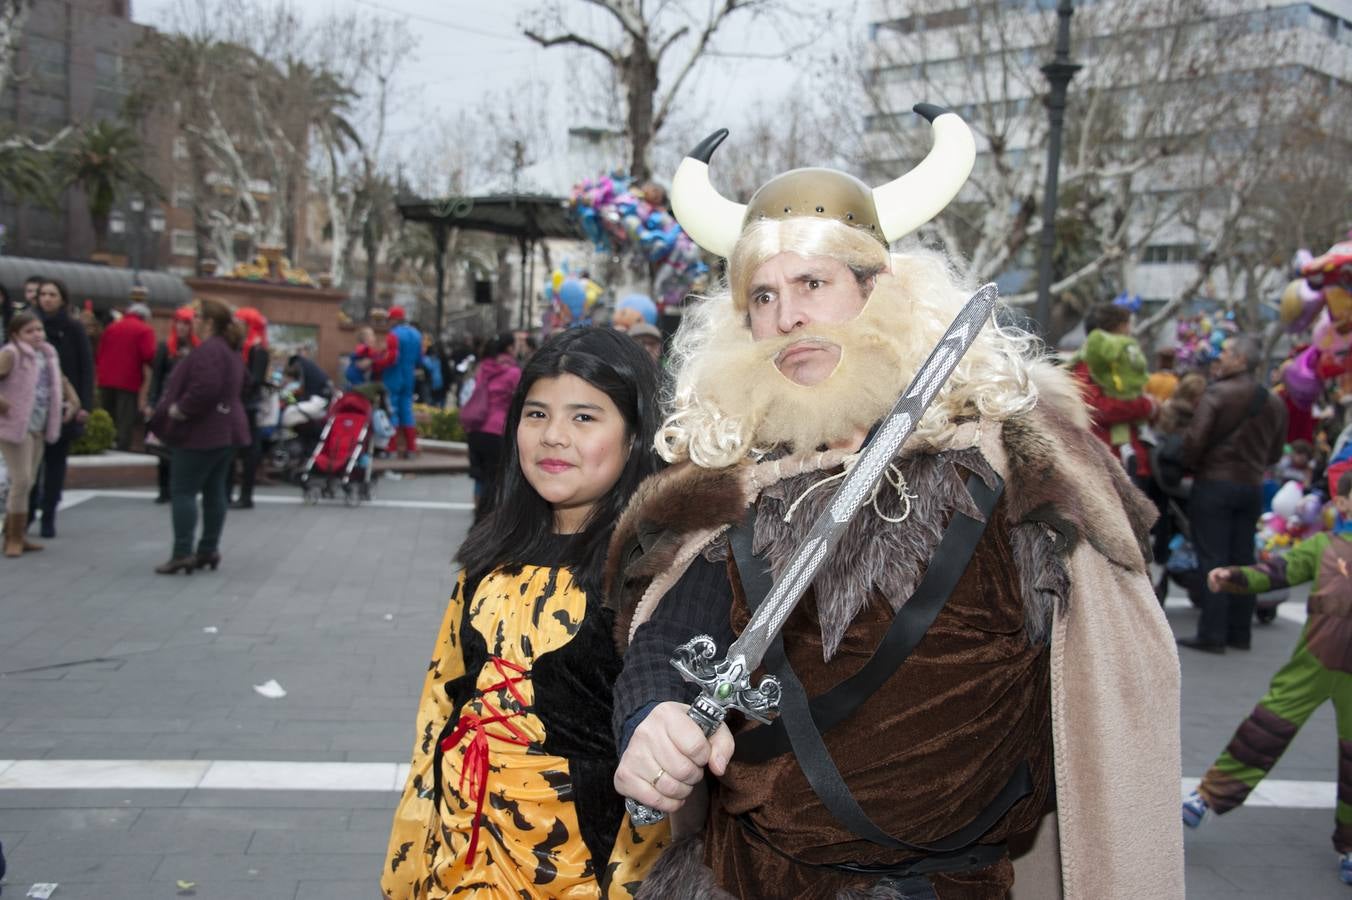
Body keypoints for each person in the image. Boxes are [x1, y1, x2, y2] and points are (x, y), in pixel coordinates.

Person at [607, 111, 1183, 898]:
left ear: (881, 290)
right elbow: (675, 635)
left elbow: (1098, 672)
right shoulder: (733, 476)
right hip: (755, 876)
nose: (787, 318)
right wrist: (653, 717)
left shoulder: (1011, 460)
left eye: (814, 284)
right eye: (763, 298)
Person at [382, 327, 666, 899]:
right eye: (536, 414)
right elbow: (440, 707)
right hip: (463, 849)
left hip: (586, 863)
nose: (553, 437)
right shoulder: (489, 558)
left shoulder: (656, 572)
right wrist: (412, 855)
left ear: (634, 434)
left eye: (584, 418)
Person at [1183, 469, 1352, 885]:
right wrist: (1234, 577)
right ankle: (1206, 796)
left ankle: (1349, 845)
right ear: (1343, 503)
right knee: (1264, 730)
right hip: (1311, 664)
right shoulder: (1323, 546)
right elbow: (1277, 572)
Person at [1178, 335, 1288, 654]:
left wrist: (1190, 464)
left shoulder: (1217, 393)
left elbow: (1195, 440)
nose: (1219, 358)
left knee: (1213, 557)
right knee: (1244, 557)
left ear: (1240, 360)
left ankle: (1212, 633)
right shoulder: (1274, 402)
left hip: (1214, 483)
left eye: (1225, 353)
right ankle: (1240, 632)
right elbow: (1276, 452)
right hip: (1251, 484)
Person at [147, 299, 248, 574]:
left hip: (202, 431)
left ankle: (182, 552)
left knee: (183, 491)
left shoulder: (210, 350)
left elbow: (206, 387)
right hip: (226, 430)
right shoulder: (229, 350)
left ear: (209, 322)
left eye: (198, 316)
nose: (194, 320)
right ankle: (208, 549)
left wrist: (180, 409)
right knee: (215, 490)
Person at [0, 311, 80, 557]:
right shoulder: (10, 353)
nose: (36, 335)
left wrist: (73, 399)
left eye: (38, 330)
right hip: (15, 425)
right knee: (21, 480)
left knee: (30, 480)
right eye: (29, 331)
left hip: (40, 424)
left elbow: (60, 380)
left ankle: (17, 533)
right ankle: (13, 536)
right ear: (16, 334)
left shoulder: (47, 354)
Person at [30, 278, 92, 539]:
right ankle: (28, 511)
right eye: (43, 294)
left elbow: (86, 368)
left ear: (62, 299)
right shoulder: (31, 325)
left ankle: (49, 514)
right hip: (34, 407)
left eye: (52, 294)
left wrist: (84, 405)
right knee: (31, 465)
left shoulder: (74, 328)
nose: (47, 299)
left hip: (65, 405)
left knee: (55, 463)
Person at [1068, 301, 1155, 476]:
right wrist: (1146, 406)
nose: (1129, 332)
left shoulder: (1122, 363)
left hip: (1129, 460)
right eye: (1126, 326)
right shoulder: (1088, 364)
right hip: (1108, 463)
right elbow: (1096, 408)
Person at [460, 332, 521, 521]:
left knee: (480, 476)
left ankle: (478, 513)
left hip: (475, 429)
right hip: (497, 431)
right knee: (495, 479)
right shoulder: (513, 372)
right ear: (510, 348)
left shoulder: (483, 368)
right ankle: (485, 521)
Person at [146, 306, 199, 504]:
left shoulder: (197, 349)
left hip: (187, 405)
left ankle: (181, 487)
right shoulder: (165, 348)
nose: (182, 327)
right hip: (165, 403)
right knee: (162, 448)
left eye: (186, 323)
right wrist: (152, 402)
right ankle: (163, 489)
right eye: (179, 322)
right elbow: (156, 378)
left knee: (183, 449)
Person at [95, 301, 157, 451]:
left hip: (106, 377)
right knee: (125, 417)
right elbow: (149, 354)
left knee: (107, 412)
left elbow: (99, 351)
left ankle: (104, 443)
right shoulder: (144, 330)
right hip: (128, 379)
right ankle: (122, 447)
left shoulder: (112, 327)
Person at [231, 308, 270, 510]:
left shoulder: (258, 350)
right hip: (239, 403)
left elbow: (255, 380)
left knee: (247, 451)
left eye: (240, 323)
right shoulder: (241, 348)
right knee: (234, 450)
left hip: (248, 406)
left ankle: (246, 496)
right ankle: (229, 494)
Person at [380, 307, 423, 457]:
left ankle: (391, 448)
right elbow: (419, 359)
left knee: (392, 409)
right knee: (407, 410)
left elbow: (391, 358)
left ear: (393, 319)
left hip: (393, 375)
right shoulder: (417, 334)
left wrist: (377, 362)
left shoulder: (394, 335)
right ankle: (411, 447)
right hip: (409, 376)